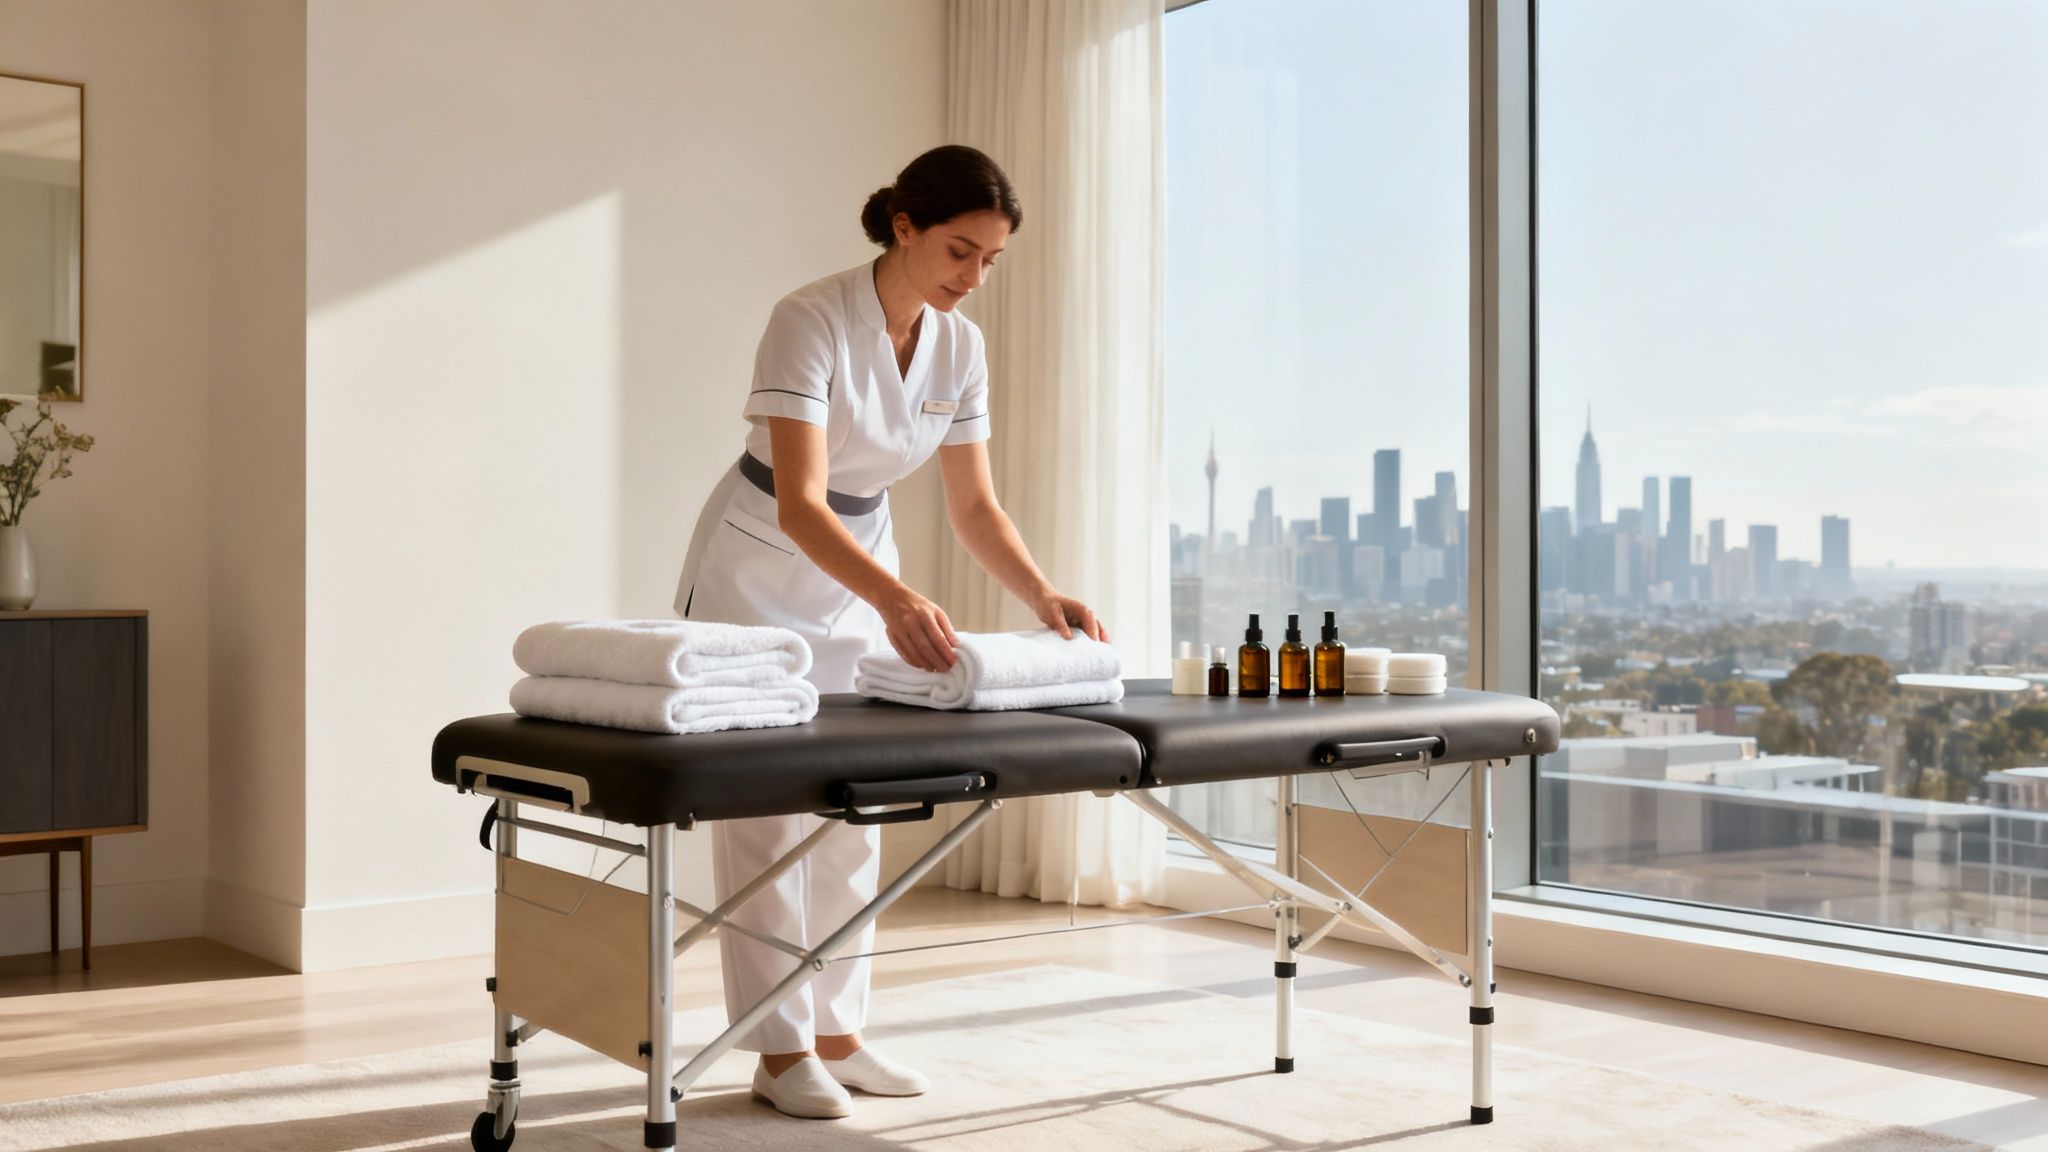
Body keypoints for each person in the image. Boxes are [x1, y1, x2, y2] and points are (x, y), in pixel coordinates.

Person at [672, 144, 1108, 1120]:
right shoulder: (808, 319)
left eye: (991, 260)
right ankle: (777, 1050)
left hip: (859, 558)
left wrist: (1044, 596)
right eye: (960, 250)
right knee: (766, 814)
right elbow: (798, 503)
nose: (973, 276)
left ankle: (838, 1032)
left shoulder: (959, 347)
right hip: (761, 566)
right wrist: (895, 600)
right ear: (902, 225)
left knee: (853, 809)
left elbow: (974, 508)